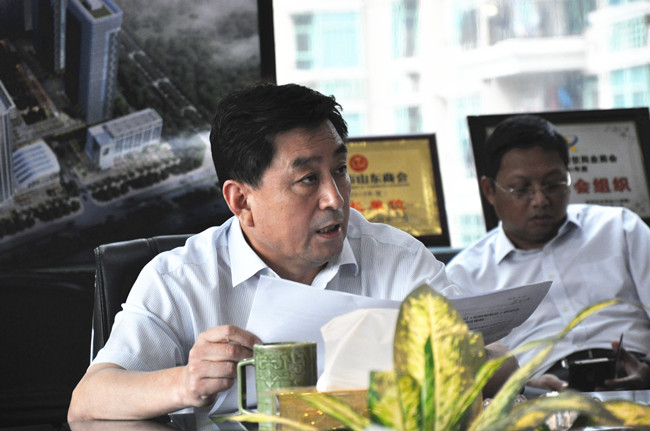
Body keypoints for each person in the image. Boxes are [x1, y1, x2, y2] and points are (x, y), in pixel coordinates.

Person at [68, 83, 515, 421]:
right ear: (241, 200)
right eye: (307, 180)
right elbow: (88, 402)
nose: (335, 198)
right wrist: (186, 382)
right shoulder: (181, 278)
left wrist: (457, 359)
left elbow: (504, 364)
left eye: (340, 170)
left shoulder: (394, 256)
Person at [446, 114, 650, 392]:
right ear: (489, 190)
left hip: (639, 379)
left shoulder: (620, 228)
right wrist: (522, 384)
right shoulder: (464, 275)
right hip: (539, 395)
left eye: (553, 184)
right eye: (521, 189)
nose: (540, 200)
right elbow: (465, 367)